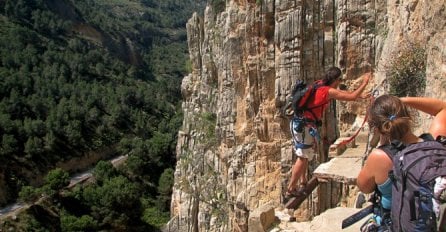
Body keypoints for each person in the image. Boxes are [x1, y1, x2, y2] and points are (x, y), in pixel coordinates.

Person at [356, 95, 446, 231]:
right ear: (408, 115)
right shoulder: (434, 143)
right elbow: (442, 109)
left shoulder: (379, 157)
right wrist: (401, 100)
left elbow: (364, 187)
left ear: (378, 129)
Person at [286, 67, 371, 199]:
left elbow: (342, 94)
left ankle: (302, 182)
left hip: (301, 124)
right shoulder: (327, 91)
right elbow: (350, 97)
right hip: (303, 126)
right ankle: (291, 188)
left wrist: (360, 95)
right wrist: (364, 83)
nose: (340, 82)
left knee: (305, 154)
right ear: (336, 80)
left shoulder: (320, 84)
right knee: (302, 157)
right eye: (340, 80)